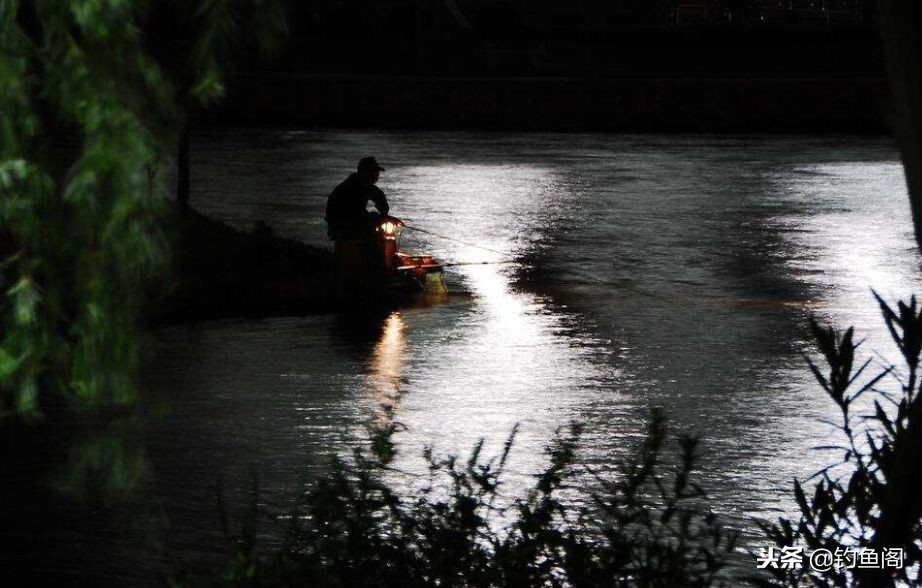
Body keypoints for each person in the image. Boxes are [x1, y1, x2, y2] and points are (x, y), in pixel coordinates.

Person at [325, 157, 390, 241]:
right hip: (341, 225)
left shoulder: (366, 186)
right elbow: (354, 212)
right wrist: (377, 217)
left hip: (350, 221)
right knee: (374, 221)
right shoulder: (350, 188)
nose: (377, 175)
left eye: (376, 172)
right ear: (365, 172)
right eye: (374, 172)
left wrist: (384, 213)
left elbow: (380, 198)